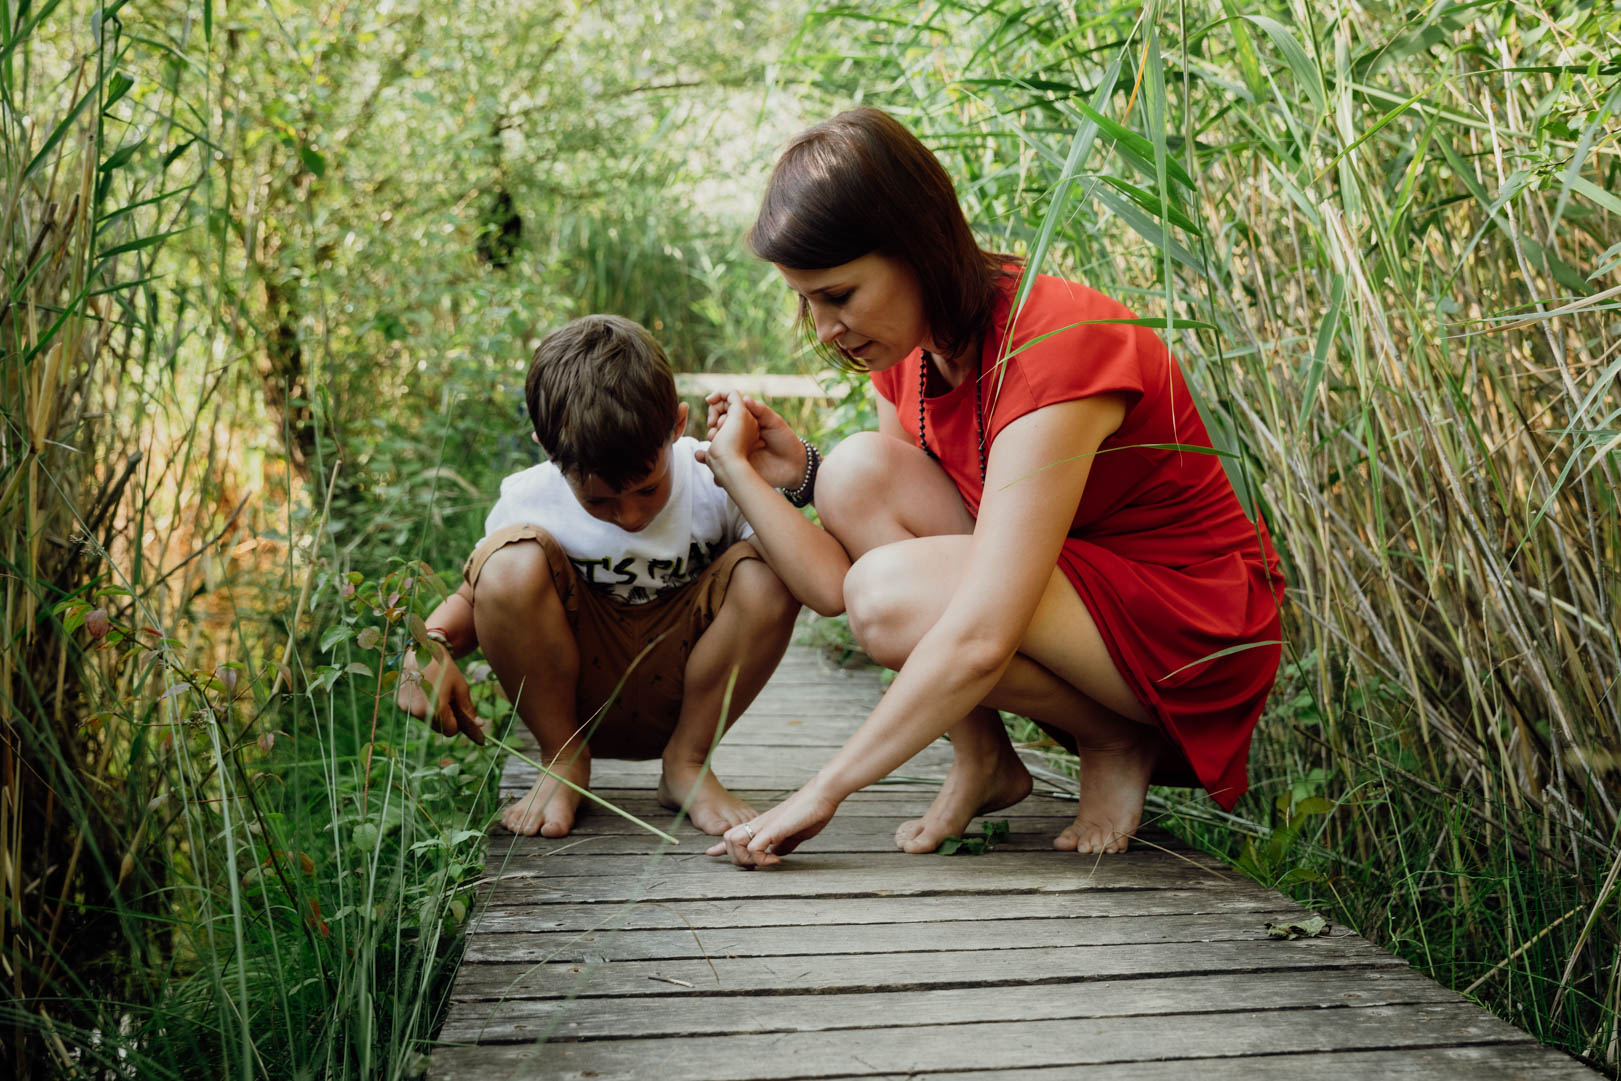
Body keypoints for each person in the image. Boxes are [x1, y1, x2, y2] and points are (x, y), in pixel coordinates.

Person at [701, 107, 1285, 866]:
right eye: (805, 300)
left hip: (1191, 618)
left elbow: (961, 626)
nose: (822, 329)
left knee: (888, 596)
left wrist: (823, 790)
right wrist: (775, 474)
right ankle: (983, 759)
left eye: (838, 295)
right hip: (1071, 594)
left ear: (918, 247)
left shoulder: (1055, 348)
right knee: (851, 472)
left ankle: (1114, 736)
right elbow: (836, 583)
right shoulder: (907, 351)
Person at [397, 314, 801, 837]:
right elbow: (473, 601)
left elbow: (803, 578)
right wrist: (424, 648)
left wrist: (772, 474)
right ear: (547, 447)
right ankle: (562, 761)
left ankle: (687, 765)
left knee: (771, 567)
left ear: (676, 427)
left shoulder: (713, 476)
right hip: (572, 695)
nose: (631, 517)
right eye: (600, 500)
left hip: (687, 687)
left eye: (648, 491)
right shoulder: (528, 497)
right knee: (508, 564)